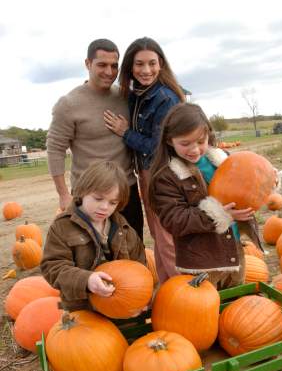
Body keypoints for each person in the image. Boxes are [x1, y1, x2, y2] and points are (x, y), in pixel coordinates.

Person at [148, 103, 264, 289]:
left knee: (235, 302)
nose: (194, 150)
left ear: (208, 135)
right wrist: (222, 215)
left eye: (200, 142)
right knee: (205, 308)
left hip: (232, 248)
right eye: (185, 143)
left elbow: (247, 183)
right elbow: (174, 219)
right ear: (170, 141)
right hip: (201, 260)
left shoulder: (223, 160)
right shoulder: (167, 177)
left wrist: (265, 181)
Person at [104, 37, 185, 283]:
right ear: (130, 67)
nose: (146, 70)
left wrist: (125, 132)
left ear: (161, 63)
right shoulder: (139, 94)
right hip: (147, 173)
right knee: (159, 234)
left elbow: (156, 146)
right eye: (139, 64)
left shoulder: (164, 98)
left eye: (152, 63)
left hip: (161, 173)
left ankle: (184, 291)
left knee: (166, 236)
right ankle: (168, 285)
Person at [47, 38, 143, 239]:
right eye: (102, 65)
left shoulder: (125, 97)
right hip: (90, 195)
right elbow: (55, 149)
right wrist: (64, 194)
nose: (109, 72)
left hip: (126, 191)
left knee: (134, 251)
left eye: (114, 66)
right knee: (94, 258)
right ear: (88, 64)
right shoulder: (69, 104)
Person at [41, 160, 146, 312]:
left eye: (112, 203)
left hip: (120, 305)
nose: (104, 207)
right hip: (83, 309)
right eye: (98, 199)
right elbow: (53, 267)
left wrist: (140, 295)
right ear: (83, 191)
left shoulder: (122, 225)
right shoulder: (62, 227)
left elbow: (139, 262)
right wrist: (86, 280)